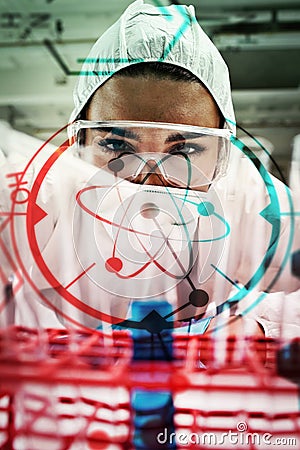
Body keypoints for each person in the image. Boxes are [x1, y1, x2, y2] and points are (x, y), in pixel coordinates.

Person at [0, 0, 299, 338]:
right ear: (77, 141)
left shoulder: (250, 201)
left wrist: (258, 323)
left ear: (220, 155)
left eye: (183, 150)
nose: (148, 178)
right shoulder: (36, 192)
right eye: (117, 145)